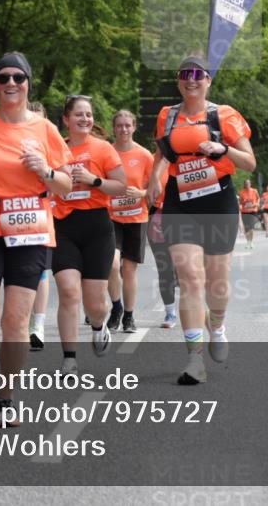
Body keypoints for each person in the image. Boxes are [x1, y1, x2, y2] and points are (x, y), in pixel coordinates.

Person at [0, 52, 72, 420]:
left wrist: (45, 171)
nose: (11, 83)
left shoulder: (45, 129)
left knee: (16, 323)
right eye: (3, 77)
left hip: (29, 230)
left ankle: (6, 396)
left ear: (28, 84)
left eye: (18, 78)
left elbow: (66, 185)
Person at [147, 54, 255, 385]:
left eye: (197, 74)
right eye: (184, 74)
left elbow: (249, 162)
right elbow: (162, 153)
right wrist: (154, 178)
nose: (190, 79)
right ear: (178, 81)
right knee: (190, 279)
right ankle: (194, 359)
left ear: (208, 80)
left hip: (218, 202)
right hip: (180, 202)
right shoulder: (167, 115)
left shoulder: (225, 115)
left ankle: (217, 325)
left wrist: (223, 150)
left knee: (217, 282)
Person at [52, 95, 127, 376]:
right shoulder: (55, 149)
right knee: (69, 291)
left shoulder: (103, 148)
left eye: (89, 114)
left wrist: (93, 180)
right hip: (63, 226)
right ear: (66, 119)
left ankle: (98, 325)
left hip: (97, 227)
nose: (85, 119)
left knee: (95, 304)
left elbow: (121, 186)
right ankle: (69, 359)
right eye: (79, 114)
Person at [107, 110, 154, 333]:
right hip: (111, 218)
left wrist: (142, 193)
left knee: (128, 270)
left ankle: (129, 316)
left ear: (134, 127)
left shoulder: (144, 155)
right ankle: (116, 307)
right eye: (119, 125)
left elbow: (156, 188)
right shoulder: (107, 152)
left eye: (127, 125)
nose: (123, 129)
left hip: (136, 217)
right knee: (112, 264)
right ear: (114, 128)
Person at [27, 100, 52, 350]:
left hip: (43, 214)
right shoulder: (13, 142)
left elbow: (63, 181)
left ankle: (38, 325)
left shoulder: (52, 143)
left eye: (38, 118)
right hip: (14, 214)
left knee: (41, 271)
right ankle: (23, 321)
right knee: (20, 272)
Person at [147, 166, 179, 328]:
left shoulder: (190, 159)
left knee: (185, 269)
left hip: (184, 220)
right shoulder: (153, 164)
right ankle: (170, 312)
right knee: (165, 269)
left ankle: (194, 309)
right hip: (158, 218)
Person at [238, 179, 260, 250]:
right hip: (245, 211)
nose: (247, 185)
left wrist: (256, 204)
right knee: (246, 227)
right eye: (246, 183)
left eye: (248, 183)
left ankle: (252, 242)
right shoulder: (241, 192)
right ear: (244, 184)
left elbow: (258, 198)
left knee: (251, 226)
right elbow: (240, 202)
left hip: (253, 210)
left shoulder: (254, 191)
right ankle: (248, 242)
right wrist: (241, 205)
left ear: (250, 184)